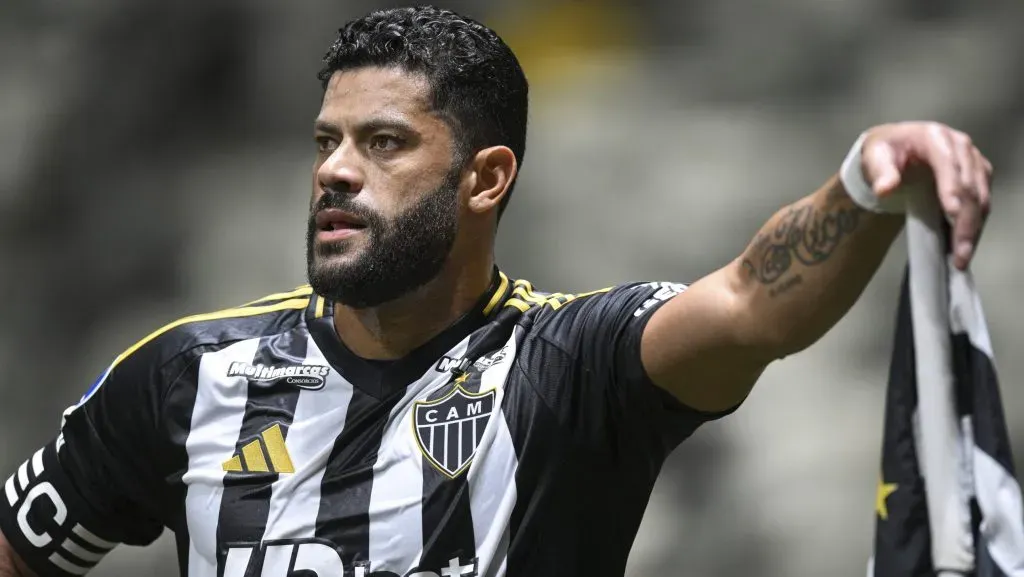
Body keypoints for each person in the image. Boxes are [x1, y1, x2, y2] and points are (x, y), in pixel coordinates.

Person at [0, 6, 994, 577]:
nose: (335, 172)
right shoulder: (188, 374)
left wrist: (863, 183)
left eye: (382, 143)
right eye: (324, 143)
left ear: (486, 178)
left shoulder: (569, 366)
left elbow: (750, 302)